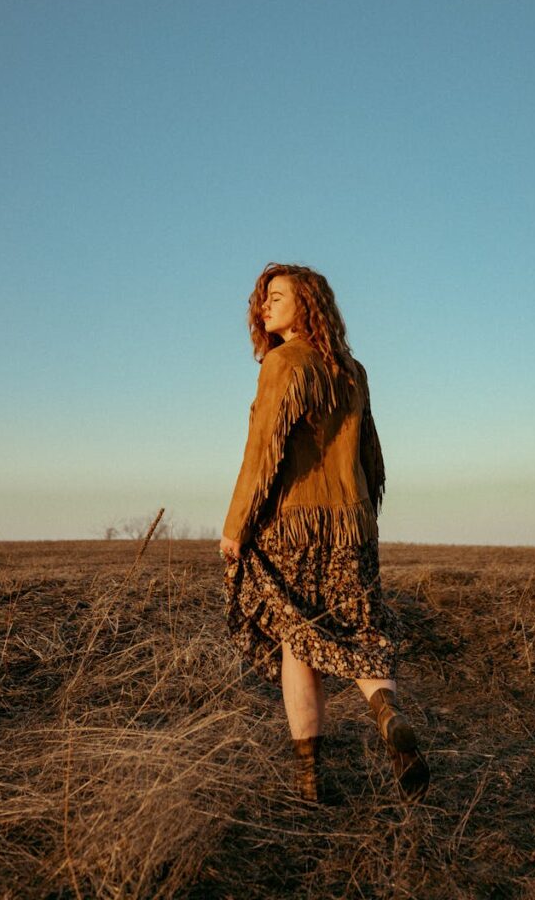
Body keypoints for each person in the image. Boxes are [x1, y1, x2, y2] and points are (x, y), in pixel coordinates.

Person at [219, 262, 430, 804]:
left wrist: (235, 527)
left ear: (307, 303)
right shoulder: (352, 370)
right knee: (361, 631)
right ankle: (387, 710)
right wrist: (360, 512)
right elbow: (373, 459)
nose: (266, 306)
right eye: (263, 298)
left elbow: (261, 452)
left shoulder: (282, 363)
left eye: (278, 297)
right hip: (352, 527)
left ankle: (310, 782)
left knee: (299, 643)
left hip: (292, 527)